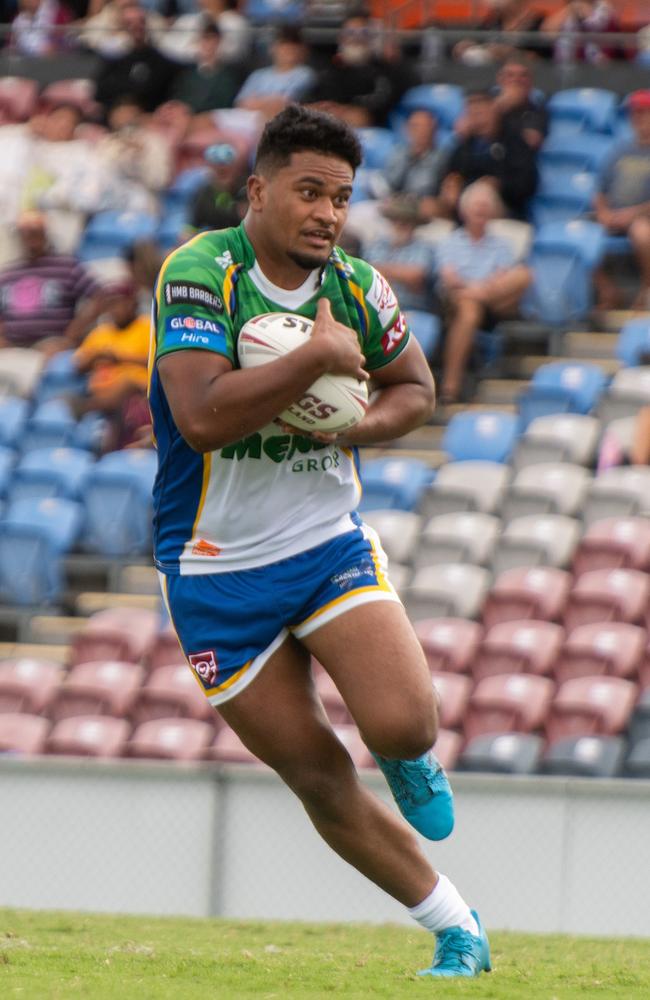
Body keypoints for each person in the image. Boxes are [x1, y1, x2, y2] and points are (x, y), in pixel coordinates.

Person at [150, 103, 491, 979]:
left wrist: (354, 426)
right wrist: (312, 363)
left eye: (340, 197)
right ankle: (459, 927)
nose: (327, 215)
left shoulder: (360, 286)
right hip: (212, 572)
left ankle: (409, 755)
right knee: (317, 777)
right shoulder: (201, 273)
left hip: (322, 540)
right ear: (257, 191)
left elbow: (414, 388)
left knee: (404, 720)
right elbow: (198, 419)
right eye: (309, 192)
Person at [435, 180, 532, 403]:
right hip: (457, 300)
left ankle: (476, 299)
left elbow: (504, 278)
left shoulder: (501, 245)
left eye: (486, 206)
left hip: (492, 299)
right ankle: (451, 387)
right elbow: (450, 279)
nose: (481, 210)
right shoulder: (451, 241)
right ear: (464, 209)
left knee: (525, 274)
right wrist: (478, 290)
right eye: (477, 205)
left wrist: (479, 290)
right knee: (470, 311)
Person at [0, 211, 102, 352]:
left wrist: (71, 335)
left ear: (45, 234)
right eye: (25, 232)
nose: (30, 237)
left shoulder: (67, 266)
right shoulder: (8, 273)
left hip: (51, 344)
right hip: (12, 345)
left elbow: (100, 297)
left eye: (35, 232)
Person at [73, 279, 151, 448]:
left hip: (138, 392)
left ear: (132, 303)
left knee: (126, 383)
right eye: (110, 304)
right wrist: (96, 356)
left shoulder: (147, 327)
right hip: (100, 389)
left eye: (119, 303)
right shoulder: (101, 331)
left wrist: (120, 358)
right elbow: (78, 366)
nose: (114, 309)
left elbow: (156, 361)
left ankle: (88, 408)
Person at [441, 88, 539, 220]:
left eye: (481, 111)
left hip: (506, 211)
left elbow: (527, 184)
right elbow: (452, 175)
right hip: (463, 211)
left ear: (494, 109)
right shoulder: (464, 147)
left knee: (481, 195)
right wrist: (451, 186)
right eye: (472, 113)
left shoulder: (514, 142)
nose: (478, 118)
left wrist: (498, 184)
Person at [594, 89, 650, 309]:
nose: (638, 118)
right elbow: (599, 191)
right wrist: (604, 213)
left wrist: (632, 214)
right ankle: (608, 292)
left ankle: (647, 290)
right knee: (578, 235)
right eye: (634, 113)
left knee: (642, 232)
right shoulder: (620, 150)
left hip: (642, 218)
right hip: (614, 216)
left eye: (644, 113)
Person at [305, 13, 411, 128]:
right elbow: (309, 105)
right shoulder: (328, 70)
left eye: (363, 33)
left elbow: (367, 115)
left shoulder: (385, 71)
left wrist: (344, 111)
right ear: (341, 37)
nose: (356, 38)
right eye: (350, 32)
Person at [363, 195, 437, 312]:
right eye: (396, 219)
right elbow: (366, 273)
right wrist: (401, 272)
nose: (400, 224)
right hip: (375, 307)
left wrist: (381, 270)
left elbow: (416, 277)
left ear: (414, 224)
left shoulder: (424, 247)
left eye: (406, 221)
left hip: (412, 310)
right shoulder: (377, 244)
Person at [234, 26, 316, 121]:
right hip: (248, 120)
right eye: (283, 45)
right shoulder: (258, 74)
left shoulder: (305, 74)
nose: (287, 50)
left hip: (284, 121)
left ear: (301, 49)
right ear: (273, 48)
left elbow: (284, 103)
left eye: (292, 46)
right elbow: (240, 103)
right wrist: (268, 102)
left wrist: (258, 101)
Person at [383, 109, 447, 220]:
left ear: (434, 130)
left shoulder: (443, 159)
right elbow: (387, 184)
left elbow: (440, 199)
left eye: (425, 127)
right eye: (414, 126)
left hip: (422, 211)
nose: (420, 131)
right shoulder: (398, 154)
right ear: (407, 129)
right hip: (393, 206)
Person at [171, 20, 239, 115]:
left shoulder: (229, 75)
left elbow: (228, 102)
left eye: (213, 39)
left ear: (219, 42)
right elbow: (178, 101)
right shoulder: (186, 75)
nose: (209, 45)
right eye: (205, 39)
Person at [188, 141, 247, 232]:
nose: (221, 169)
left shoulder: (244, 190)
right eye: (217, 170)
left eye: (226, 170)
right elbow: (192, 226)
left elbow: (246, 221)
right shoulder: (203, 193)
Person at [493, 57, 549, 151]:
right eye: (510, 75)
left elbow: (532, 141)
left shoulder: (537, 108)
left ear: (531, 81)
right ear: (500, 80)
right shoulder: (487, 100)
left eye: (523, 75)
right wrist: (500, 107)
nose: (516, 80)